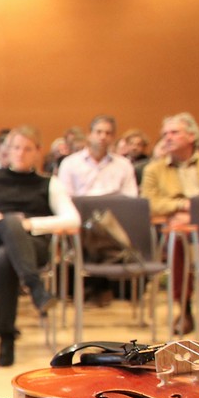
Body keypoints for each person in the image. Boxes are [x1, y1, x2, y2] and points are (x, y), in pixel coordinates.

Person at [0, 127, 78, 367]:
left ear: (38, 151)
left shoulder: (49, 183)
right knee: (8, 223)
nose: (20, 153)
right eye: (16, 147)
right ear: (7, 150)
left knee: (5, 257)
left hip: (30, 244)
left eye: (27, 148)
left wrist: (30, 224)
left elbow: (73, 220)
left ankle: (6, 337)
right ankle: (34, 286)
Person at [140, 112, 199, 333]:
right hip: (177, 229)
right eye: (165, 134)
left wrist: (197, 212)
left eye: (174, 132)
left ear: (192, 136)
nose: (167, 137)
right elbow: (149, 203)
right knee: (178, 235)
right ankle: (184, 308)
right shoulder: (154, 169)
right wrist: (182, 205)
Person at [57, 115, 138, 306]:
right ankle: (97, 287)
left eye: (108, 133)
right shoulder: (70, 163)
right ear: (89, 134)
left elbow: (131, 199)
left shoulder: (123, 165)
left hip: (114, 225)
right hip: (80, 224)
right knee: (88, 231)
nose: (103, 137)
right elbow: (64, 199)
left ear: (113, 137)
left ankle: (96, 287)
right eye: (99, 132)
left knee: (107, 231)